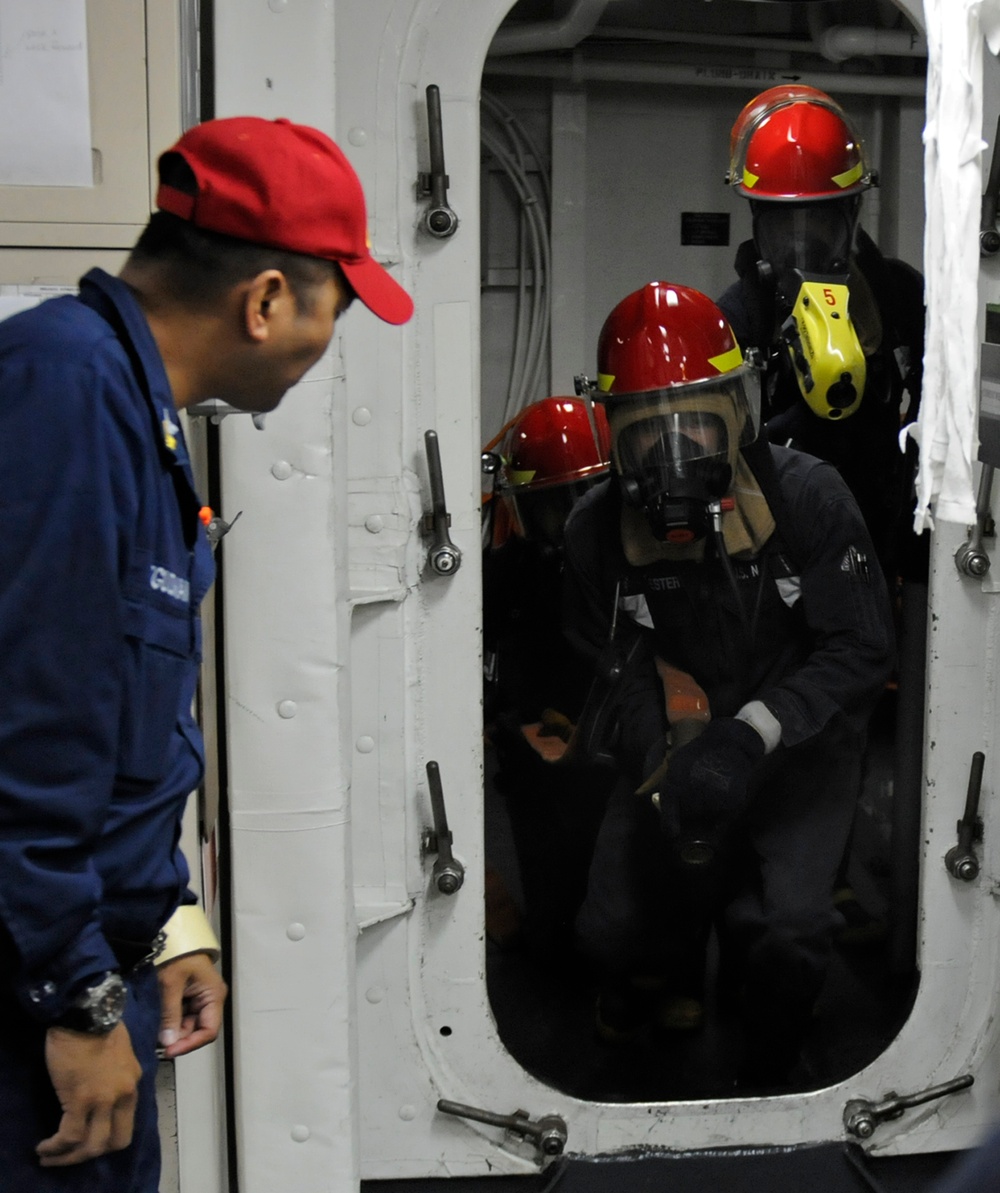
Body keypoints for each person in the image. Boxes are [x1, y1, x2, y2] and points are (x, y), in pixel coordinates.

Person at [0, 116, 413, 1189]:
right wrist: (79, 997)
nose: (331, 341)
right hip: (36, 985)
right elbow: (30, 732)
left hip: (89, 955)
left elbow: (121, 728)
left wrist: (169, 918)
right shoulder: (64, 395)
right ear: (267, 297)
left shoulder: (138, 412)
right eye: (339, 303)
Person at [564, 281, 894, 1088]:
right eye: (648, 435)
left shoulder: (809, 498)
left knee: (786, 927)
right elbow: (608, 658)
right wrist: (663, 745)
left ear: (737, 413)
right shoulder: (593, 531)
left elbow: (860, 646)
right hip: (678, 735)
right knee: (609, 925)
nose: (673, 457)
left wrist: (753, 733)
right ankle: (655, 986)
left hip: (800, 738)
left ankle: (775, 1056)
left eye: (694, 424)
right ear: (615, 433)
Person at [716, 84, 926, 584]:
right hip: (782, 559)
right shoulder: (738, 317)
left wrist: (911, 553)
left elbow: (934, 420)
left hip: (884, 541)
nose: (800, 246)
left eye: (820, 224)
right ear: (756, 221)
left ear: (851, 214)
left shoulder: (897, 297)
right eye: (783, 226)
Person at [482, 397, 614, 954]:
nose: (571, 527)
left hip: (619, 746)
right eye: (555, 509)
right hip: (539, 761)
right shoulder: (508, 576)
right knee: (551, 901)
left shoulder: (643, 570)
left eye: (583, 503)